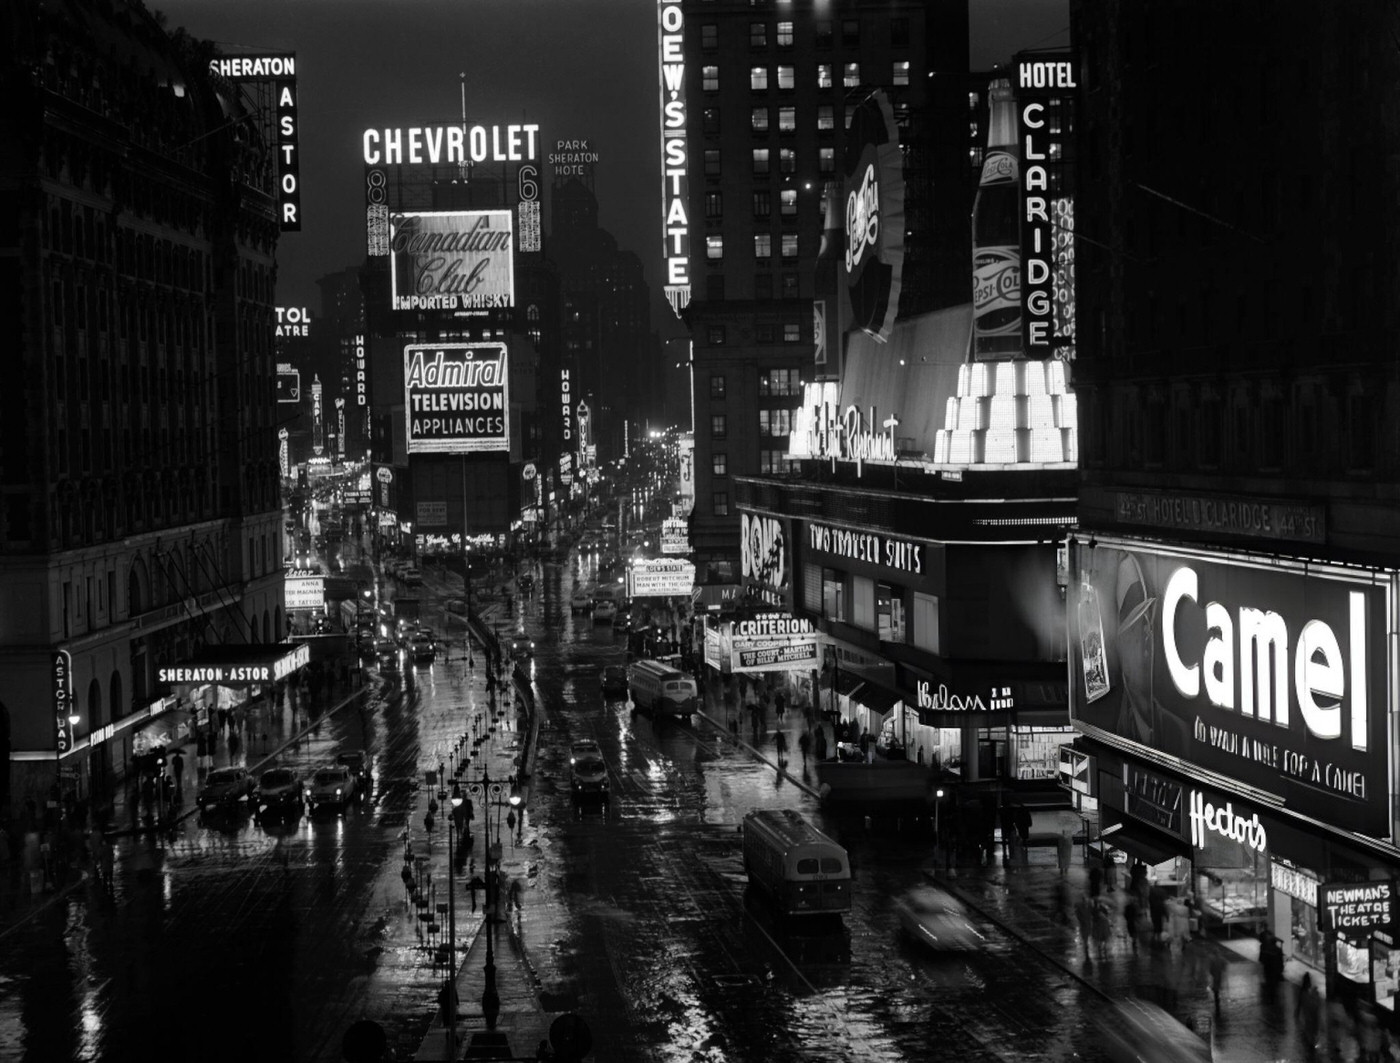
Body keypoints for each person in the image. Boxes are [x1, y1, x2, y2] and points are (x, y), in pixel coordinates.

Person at [1296, 972, 1322, 1057]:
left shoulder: (1303, 992)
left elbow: (1301, 1003)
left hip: (1308, 1016)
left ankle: (1309, 1044)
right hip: (1310, 1016)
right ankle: (1310, 1044)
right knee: (1311, 1029)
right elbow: (1313, 1004)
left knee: (1309, 1029)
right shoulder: (1306, 993)